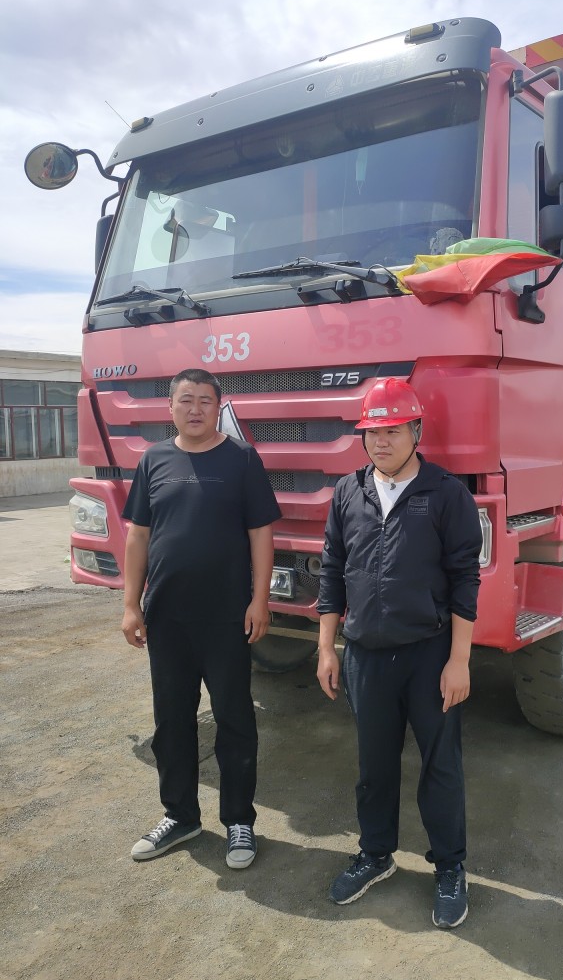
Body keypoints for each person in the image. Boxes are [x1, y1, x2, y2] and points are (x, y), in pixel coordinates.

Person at [316, 377, 482, 929]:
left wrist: (459, 660)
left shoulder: (446, 494)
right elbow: (332, 571)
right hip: (365, 655)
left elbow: (465, 581)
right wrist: (327, 647)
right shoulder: (349, 492)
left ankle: (450, 868)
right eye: (372, 432)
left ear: (416, 431)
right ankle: (375, 853)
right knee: (374, 766)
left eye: (391, 430)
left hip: (429, 655)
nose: (380, 441)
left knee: (441, 767)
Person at [122, 367, 281, 869]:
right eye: (185, 399)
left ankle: (239, 821)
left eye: (205, 400)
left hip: (227, 616)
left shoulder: (241, 458)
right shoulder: (153, 460)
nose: (195, 409)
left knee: (234, 718)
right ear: (170, 407)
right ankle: (180, 815)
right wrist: (130, 604)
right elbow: (138, 535)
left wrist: (259, 600)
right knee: (171, 720)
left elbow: (261, 533)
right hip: (167, 616)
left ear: (218, 407)